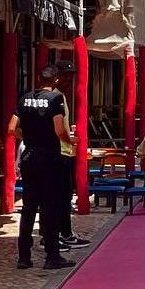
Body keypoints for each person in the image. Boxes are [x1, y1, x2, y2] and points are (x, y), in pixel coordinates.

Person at [8, 66, 77, 271]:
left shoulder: (24, 99)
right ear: (55, 80)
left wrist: (28, 138)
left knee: (28, 208)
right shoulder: (55, 100)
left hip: (29, 157)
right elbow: (59, 129)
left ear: (38, 78)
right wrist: (70, 140)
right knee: (50, 207)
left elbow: (11, 129)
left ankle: (24, 256)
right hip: (50, 158)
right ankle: (52, 256)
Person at [54, 61, 89, 252]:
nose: (69, 79)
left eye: (71, 75)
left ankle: (64, 233)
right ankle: (59, 235)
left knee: (65, 195)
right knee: (59, 196)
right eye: (66, 75)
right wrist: (69, 138)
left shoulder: (62, 97)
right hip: (59, 152)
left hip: (65, 151)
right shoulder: (55, 97)